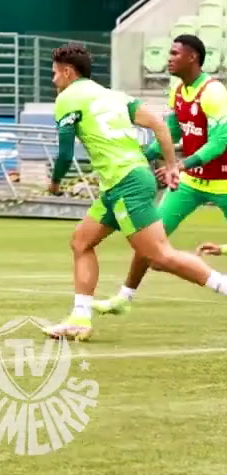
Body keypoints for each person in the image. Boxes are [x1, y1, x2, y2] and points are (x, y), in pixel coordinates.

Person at [44, 43, 227, 340]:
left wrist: (54, 183)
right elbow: (159, 125)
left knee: (160, 256)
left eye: (54, 74)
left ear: (67, 72)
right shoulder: (112, 95)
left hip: (125, 183)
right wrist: (170, 164)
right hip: (122, 182)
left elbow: (65, 154)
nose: (53, 81)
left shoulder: (67, 99)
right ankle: (80, 317)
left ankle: (223, 285)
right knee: (81, 242)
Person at [95, 34, 227, 316]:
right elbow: (171, 133)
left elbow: (220, 141)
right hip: (191, 183)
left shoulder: (214, 92)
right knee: (149, 239)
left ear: (192, 57)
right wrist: (141, 157)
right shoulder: (177, 91)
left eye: (175, 53)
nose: (168, 58)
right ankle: (124, 298)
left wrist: (180, 165)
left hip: (223, 182)